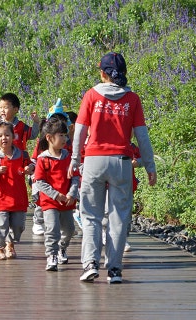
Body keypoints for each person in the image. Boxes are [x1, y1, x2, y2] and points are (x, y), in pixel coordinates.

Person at [68, 52, 157, 284]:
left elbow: (79, 131)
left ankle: (90, 265)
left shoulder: (91, 95)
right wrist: (150, 165)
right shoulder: (133, 99)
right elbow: (142, 137)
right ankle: (115, 270)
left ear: (102, 73)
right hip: (121, 163)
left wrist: (75, 160)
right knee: (118, 218)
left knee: (91, 216)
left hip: (94, 161)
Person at [33, 117, 80, 271]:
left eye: (65, 135)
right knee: (52, 229)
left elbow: (74, 177)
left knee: (69, 230)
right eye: (61, 135)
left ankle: (62, 248)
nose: (65, 139)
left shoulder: (68, 157)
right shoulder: (43, 159)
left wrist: (72, 194)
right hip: (50, 202)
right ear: (49, 137)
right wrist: (55, 195)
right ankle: (51, 255)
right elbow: (39, 181)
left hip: (67, 201)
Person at [0, 122, 34, 260]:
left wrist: (30, 168)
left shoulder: (21, 155)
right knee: (1, 224)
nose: (4, 138)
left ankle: (10, 244)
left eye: (7, 134)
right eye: (0, 135)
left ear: (13, 136)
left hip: (19, 198)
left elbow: (31, 166)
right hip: (1, 198)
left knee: (18, 226)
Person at [30, 99, 73, 236]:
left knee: (63, 201)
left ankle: (61, 225)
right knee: (40, 198)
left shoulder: (66, 141)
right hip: (43, 175)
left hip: (61, 177)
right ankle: (38, 220)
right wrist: (32, 169)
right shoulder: (43, 142)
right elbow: (35, 158)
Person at [0, 92, 40, 165]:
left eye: (5, 107)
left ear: (15, 110)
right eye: (0, 107)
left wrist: (36, 122)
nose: (2, 110)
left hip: (17, 160)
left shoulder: (20, 126)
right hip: (0, 160)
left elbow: (32, 135)